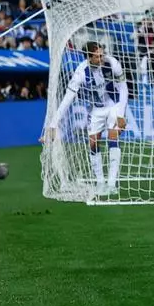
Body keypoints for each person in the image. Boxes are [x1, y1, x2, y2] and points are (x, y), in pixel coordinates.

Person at [47, 41, 130, 195]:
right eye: (97, 56)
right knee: (93, 143)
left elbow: (124, 87)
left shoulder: (112, 63)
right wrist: (53, 124)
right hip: (96, 109)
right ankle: (100, 183)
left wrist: (120, 114)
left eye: (102, 54)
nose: (101, 58)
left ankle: (112, 184)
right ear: (89, 57)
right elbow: (67, 100)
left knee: (113, 137)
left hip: (114, 105)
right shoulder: (80, 73)